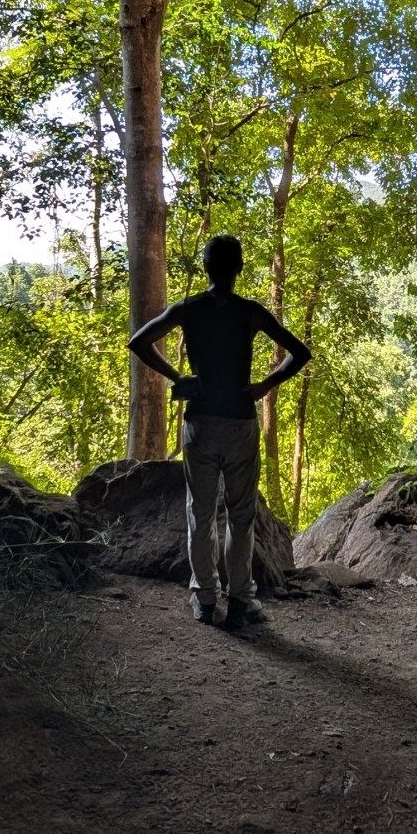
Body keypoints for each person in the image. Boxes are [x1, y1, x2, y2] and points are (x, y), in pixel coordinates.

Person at [128, 234, 312, 628]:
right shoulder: (251, 312)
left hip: (200, 423)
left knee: (201, 511)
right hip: (240, 422)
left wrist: (178, 376)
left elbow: (139, 342)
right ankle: (241, 600)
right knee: (241, 515)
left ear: (206, 267)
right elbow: (301, 353)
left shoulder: (189, 309)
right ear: (240, 268)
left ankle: (205, 599)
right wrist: (265, 385)